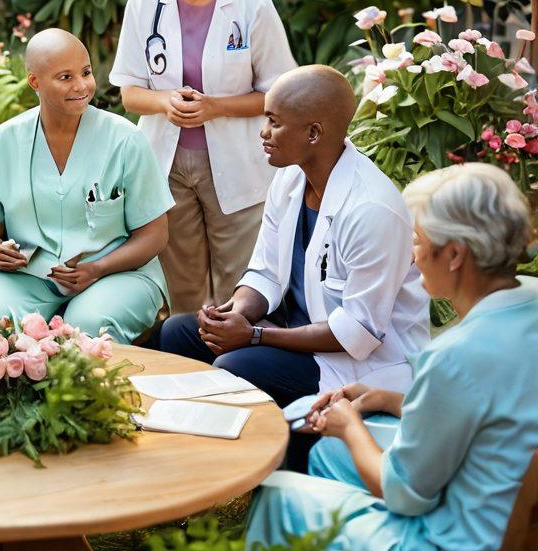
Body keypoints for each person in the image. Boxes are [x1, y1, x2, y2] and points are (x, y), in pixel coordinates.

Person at [246, 163, 538, 551]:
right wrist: (393, 399)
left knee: (278, 496)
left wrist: (348, 424)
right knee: (330, 456)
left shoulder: (454, 356)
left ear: (456, 254)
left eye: (418, 241)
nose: (412, 255)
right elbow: (501, 411)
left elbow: (403, 492)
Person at [159, 65, 430, 408]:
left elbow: (359, 334)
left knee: (235, 367)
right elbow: (266, 271)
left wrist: (255, 335)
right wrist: (235, 313)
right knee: (178, 334)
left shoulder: (372, 209)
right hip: (294, 334)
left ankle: (257, 453)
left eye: (274, 122)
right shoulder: (290, 179)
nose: (263, 133)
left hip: (356, 362)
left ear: (314, 133)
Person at [110, 0, 296, 314]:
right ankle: (183, 373)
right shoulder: (144, 3)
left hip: (237, 164)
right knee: (181, 294)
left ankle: (236, 373)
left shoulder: (251, 4)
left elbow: (279, 93)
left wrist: (216, 107)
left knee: (240, 289)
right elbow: (129, 92)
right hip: (167, 167)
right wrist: (164, 101)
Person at [0, 28, 173, 343]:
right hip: (26, 277)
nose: (81, 86)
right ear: (35, 82)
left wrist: (97, 268)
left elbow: (155, 235)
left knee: (86, 330)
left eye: (86, 73)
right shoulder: (2, 143)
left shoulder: (126, 140)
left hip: (115, 274)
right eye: (65, 77)